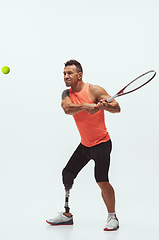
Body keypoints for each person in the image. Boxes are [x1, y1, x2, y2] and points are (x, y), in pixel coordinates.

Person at [46, 60, 121, 231]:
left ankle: (112, 217)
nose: (66, 76)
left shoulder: (94, 90)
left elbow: (117, 108)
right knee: (67, 174)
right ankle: (66, 215)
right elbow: (67, 109)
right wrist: (86, 106)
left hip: (101, 144)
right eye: (64, 73)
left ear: (79, 75)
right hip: (85, 145)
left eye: (69, 73)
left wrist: (105, 105)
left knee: (102, 181)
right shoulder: (66, 93)